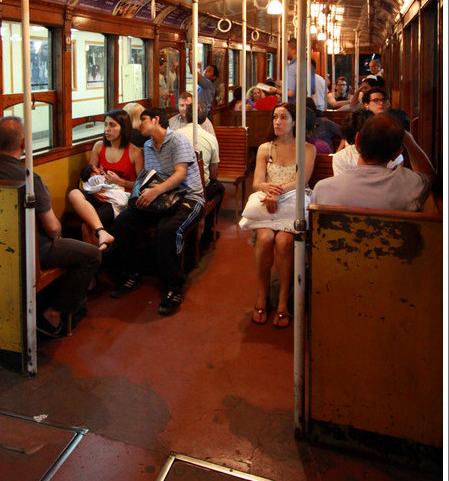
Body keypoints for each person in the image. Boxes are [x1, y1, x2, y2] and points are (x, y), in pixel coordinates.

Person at [0, 116, 101, 337]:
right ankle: (52, 314)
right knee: (91, 255)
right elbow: (53, 228)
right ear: (24, 144)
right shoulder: (29, 179)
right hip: (33, 249)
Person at [109, 107, 205, 315]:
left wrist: (154, 193)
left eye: (143, 120)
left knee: (167, 230)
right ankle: (132, 273)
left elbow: (180, 175)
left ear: (156, 119)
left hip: (188, 197)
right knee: (123, 221)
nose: (140, 124)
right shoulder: (148, 146)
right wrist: (142, 194)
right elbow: (152, 177)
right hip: (163, 199)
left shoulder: (177, 141)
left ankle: (174, 286)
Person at [239, 102, 316, 329]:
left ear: (294, 122)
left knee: (284, 241)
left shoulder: (307, 149)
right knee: (265, 238)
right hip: (269, 200)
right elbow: (256, 182)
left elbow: (302, 181)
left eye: (283, 118)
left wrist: (277, 191)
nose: (277, 122)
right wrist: (269, 189)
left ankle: (283, 300)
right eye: (275, 117)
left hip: (291, 201)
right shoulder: (265, 149)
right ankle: (262, 295)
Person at [312, 113, 434, 210]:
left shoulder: (323, 189)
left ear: (357, 141)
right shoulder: (410, 185)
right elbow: (429, 177)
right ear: (397, 153)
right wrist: (409, 140)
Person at [68, 109, 143, 245]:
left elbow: (141, 185)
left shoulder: (135, 152)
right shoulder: (98, 147)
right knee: (74, 193)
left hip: (118, 198)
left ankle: (97, 259)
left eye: (112, 125)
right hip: (98, 193)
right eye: (105, 125)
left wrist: (120, 181)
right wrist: (94, 193)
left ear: (123, 128)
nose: (107, 129)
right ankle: (98, 246)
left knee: (86, 226)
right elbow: (88, 179)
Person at [179, 102, 225, 243]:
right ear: (205, 119)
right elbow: (213, 175)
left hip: (175, 187)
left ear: (186, 117)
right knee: (219, 188)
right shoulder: (211, 139)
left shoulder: (174, 135)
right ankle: (208, 232)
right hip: (198, 189)